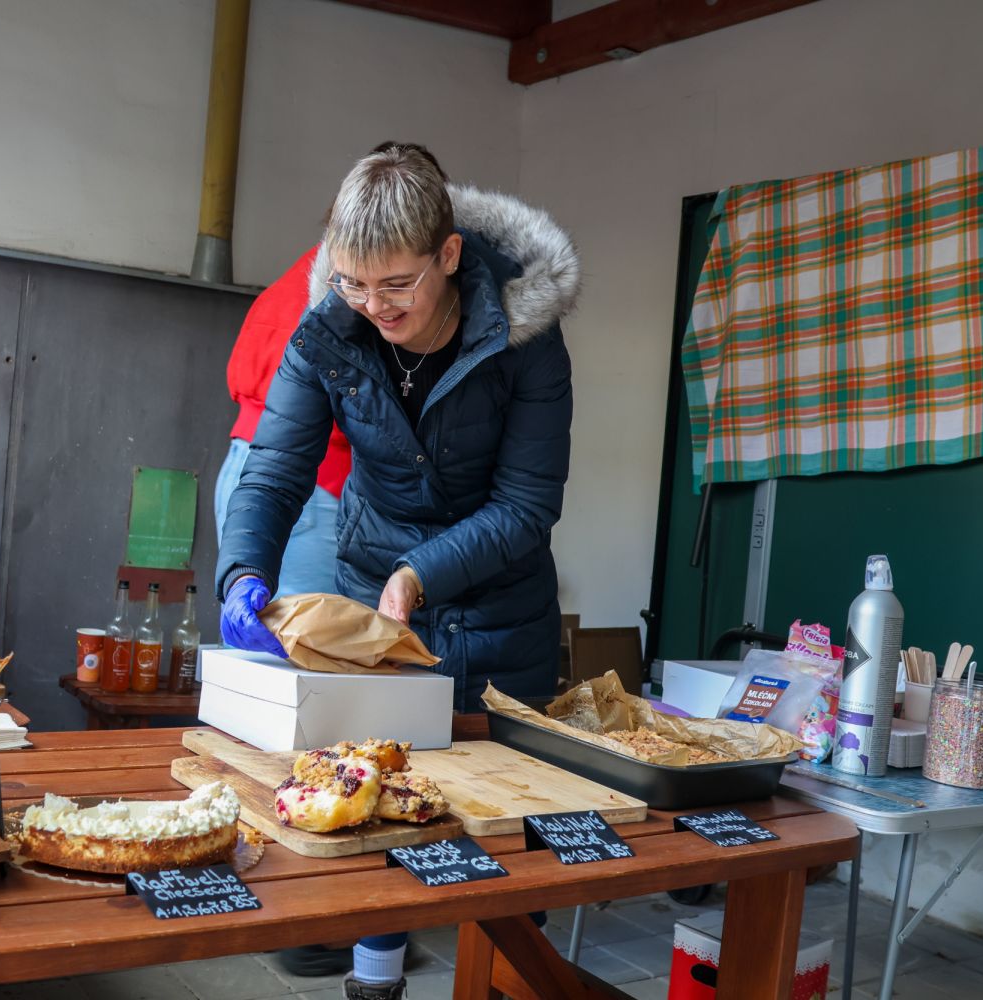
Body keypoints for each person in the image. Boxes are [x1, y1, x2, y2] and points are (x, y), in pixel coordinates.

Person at [215, 143, 579, 999]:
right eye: (353, 283)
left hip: (498, 611)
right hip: (374, 599)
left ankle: (509, 984)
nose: (373, 307)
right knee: (374, 806)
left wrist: (418, 573)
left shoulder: (526, 339)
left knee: (512, 836)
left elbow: (528, 505)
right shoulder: (328, 329)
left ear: (448, 256)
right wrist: (241, 573)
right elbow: (275, 471)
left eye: (396, 286)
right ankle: (372, 986)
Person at [214, 247, 352, 597]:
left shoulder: (296, 275)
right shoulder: (347, 281)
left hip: (241, 467)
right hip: (311, 482)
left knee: (252, 621)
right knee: (301, 630)